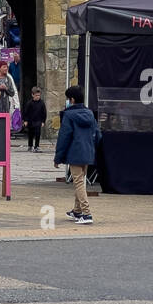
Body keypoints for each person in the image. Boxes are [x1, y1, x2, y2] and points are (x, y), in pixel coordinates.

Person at [53, 85, 100, 225]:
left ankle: (86, 213)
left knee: (79, 183)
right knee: (80, 181)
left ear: (72, 99)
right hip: (87, 152)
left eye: (68, 98)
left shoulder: (69, 115)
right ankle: (77, 210)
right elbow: (97, 134)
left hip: (74, 153)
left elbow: (64, 137)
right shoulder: (90, 113)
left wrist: (58, 157)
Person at [23, 87, 47, 152]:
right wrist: (25, 120)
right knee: (30, 134)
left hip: (38, 121)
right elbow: (26, 112)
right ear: (32, 95)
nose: (38, 97)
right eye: (36, 95)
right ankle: (30, 146)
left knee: (38, 134)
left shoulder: (42, 103)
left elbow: (44, 112)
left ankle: (37, 146)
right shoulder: (29, 103)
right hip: (31, 121)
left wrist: (43, 121)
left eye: (39, 95)